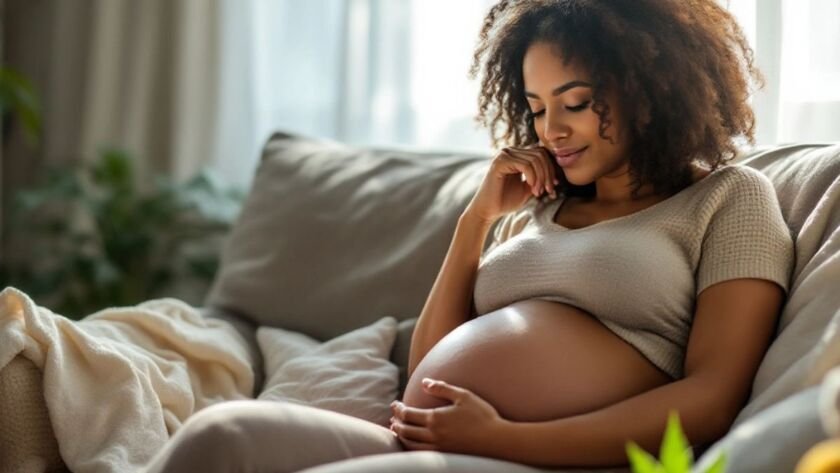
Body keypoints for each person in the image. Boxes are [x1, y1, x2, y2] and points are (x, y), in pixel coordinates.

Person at [141, 1, 794, 471]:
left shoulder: (728, 200)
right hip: (432, 440)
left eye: (573, 102)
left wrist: (504, 437)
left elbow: (711, 399)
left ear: (651, 91)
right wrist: (474, 222)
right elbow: (425, 363)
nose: (551, 131)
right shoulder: (533, 210)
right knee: (223, 432)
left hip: (539, 458)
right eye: (537, 109)